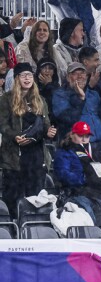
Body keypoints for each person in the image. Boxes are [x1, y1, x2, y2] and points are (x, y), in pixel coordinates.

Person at [0, 63, 57, 217]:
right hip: (15, 158)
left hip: (36, 158)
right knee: (13, 198)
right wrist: (15, 136)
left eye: (30, 75)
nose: (27, 78)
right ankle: (14, 228)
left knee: (36, 199)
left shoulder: (40, 100)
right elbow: (2, 124)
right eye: (23, 75)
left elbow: (45, 126)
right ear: (17, 78)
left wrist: (50, 132)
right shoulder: (6, 99)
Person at [52, 62, 101, 143]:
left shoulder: (92, 93)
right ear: (68, 77)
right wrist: (80, 99)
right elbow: (68, 119)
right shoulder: (60, 94)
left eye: (83, 73)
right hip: (77, 144)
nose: (80, 76)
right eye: (75, 74)